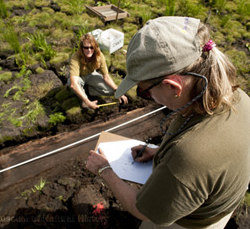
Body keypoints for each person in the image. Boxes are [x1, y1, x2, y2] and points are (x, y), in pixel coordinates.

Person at [86, 16, 250, 229]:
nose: (147, 97)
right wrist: (160, 153)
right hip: (217, 207)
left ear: (173, 86)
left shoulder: (190, 156)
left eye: (145, 92)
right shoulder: (238, 98)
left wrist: (104, 170)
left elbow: (143, 210)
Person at [68, 33, 128, 109]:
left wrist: (118, 92)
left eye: (91, 47)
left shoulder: (99, 56)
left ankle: (88, 90)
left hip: (91, 75)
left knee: (110, 91)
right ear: (82, 48)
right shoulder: (75, 57)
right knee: (72, 84)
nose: (89, 50)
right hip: (78, 77)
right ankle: (83, 97)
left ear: (95, 47)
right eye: (86, 47)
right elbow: (74, 84)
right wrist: (88, 102)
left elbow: (106, 77)